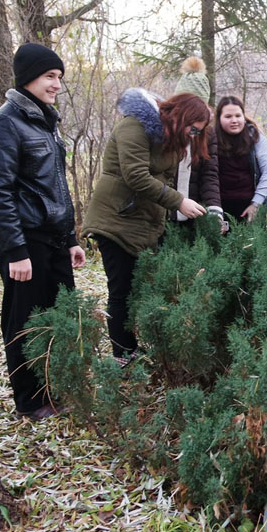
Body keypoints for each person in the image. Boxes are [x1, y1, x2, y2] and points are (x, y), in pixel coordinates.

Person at [0, 42, 86, 420]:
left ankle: (55, 388)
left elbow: (55, 186)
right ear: (28, 78)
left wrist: (71, 238)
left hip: (55, 239)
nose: (57, 84)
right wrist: (15, 251)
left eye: (59, 77)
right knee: (24, 321)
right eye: (49, 76)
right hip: (26, 241)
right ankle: (30, 400)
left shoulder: (46, 122)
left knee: (59, 317)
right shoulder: (3, 123)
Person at [82, 89, 211, 363]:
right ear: (181, 117)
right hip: (115, 220)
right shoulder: (134, 126)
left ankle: (143, 348)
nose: (193, 136)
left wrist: (173, 211)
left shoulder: (170, 138)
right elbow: (136, 175)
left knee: (147, 285)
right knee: (122, 291)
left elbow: (166, 177)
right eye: (192, 129)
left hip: (145, 221)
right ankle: (123, 356)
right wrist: (179, 202)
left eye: (197, 133)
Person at [173, 56, 224, 229]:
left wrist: (214, 208)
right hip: (163, 211)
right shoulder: (164, 127)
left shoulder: (207, 131)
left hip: (192, 210)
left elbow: (209, 173)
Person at [213, 95, 267, 223]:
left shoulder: (255, 137)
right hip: (221, 206)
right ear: (219, 118)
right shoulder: (211, 138)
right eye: (228, 116)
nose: (234, 120)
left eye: (238, 115)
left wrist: (256, 204)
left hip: (252, 204)